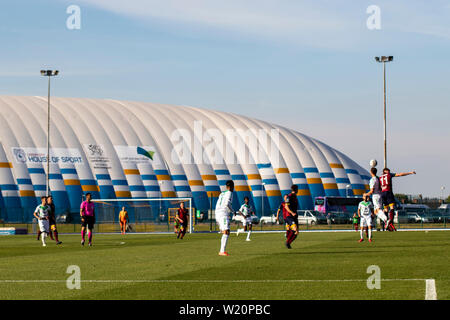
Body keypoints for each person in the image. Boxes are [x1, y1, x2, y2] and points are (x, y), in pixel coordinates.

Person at [215, 180, 234, 256]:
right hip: (223, 213)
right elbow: (227, 204)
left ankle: (222, 250)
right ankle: (222, 251)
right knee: (226, 231)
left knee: (227, 231)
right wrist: (233, 211)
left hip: (218, 213)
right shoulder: (230, 193)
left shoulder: (222, 194)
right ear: (231, 187)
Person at [284, 185, 299, 249]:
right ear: (295, 190)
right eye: (297, 189)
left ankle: (288, 243)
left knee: (296, 232)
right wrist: (292, 213)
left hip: (294, 216)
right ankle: (287, 242)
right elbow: (286, 206)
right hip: (289, 216)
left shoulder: (295, 197)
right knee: (294, 229)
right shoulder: (289, 197)